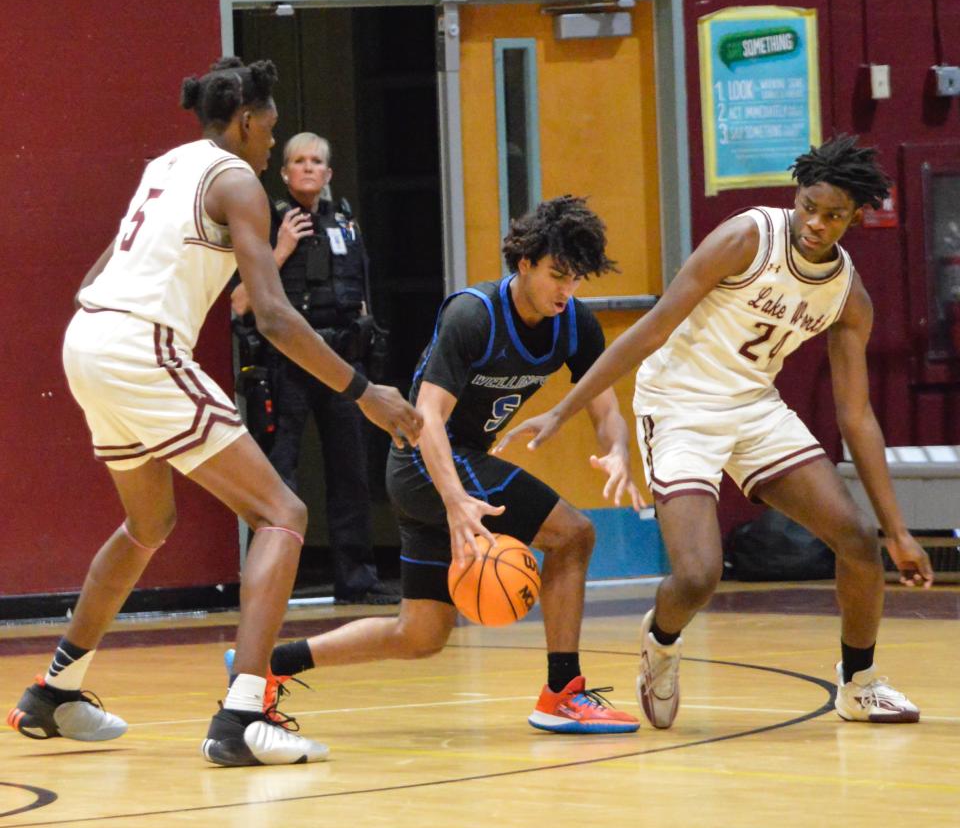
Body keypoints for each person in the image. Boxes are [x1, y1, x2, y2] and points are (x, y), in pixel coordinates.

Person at [5, 57, 421, 767]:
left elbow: (93, 276)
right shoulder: (238, 184)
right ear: (248, 119)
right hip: (141, 345)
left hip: (89, 337)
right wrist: (366, 392)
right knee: (283, 513)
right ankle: (242, 716)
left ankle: (54, 691)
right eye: (271, 130)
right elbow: (278, 320)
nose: (272, 144)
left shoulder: (167, 165)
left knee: (149, 523)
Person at [496, 135, 934, 728]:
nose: (815, 223)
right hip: (677, 404)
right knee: (699, 574)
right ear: (797, 195)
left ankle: (858, 682)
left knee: (858, 542)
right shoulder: (747, 238)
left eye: (833, 215)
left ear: (855, 216)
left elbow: (856, 415)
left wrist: (898, 531)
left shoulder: (848, 295)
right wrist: (563, 409)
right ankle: (662, 640)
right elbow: (652, 329)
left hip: (754, 406)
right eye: (809, 206)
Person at [232, 196, 644, 733]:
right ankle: (563, 694)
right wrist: (454, 502)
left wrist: (617, 449)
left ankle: (261, 668)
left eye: (576, 280)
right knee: (574, 534)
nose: (566, 291)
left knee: (420, 634)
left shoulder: (575, 326)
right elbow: (427, 414)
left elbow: (605, 407)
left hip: (439, 472)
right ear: (524, 264)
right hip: (429, 460)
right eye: (557, 275)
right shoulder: (473, 314)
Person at [231, 133, 397, 606]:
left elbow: (361, 294)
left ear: (328, 174)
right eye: (297, 161)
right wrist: (280, 249)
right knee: (279, 475)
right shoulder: (265, 224)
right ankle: (272, 586)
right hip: (286, 367)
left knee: (351, 473)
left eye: (316, 162)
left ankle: (358, 580)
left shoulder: (347, 225)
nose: (307, 168)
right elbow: (239, 303)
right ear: (283, 174)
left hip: (341, 364)